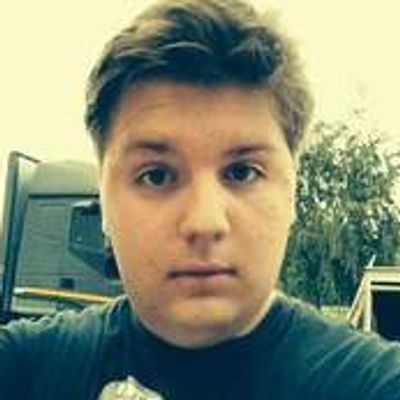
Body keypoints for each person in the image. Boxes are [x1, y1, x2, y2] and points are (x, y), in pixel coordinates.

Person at [1, 0, 400, 399]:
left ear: (291, 192)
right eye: (156, 175)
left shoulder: (375, 385)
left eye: (242, 172)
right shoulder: (23, 368)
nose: (204, 222)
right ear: (103, 200)